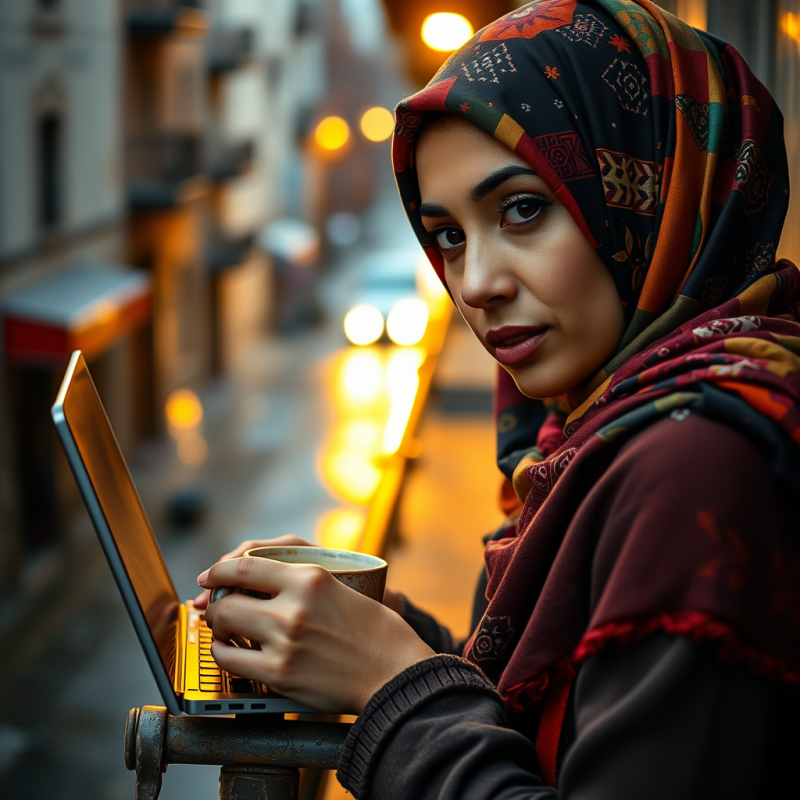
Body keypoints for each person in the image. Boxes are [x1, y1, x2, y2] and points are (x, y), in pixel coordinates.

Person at [196, 1, 800, 796]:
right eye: (449, 235)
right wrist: (377, 633)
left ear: (656, 186)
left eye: (523, 209)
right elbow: (556, 712)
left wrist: (388, 682)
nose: (474, 283)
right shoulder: (605, 427)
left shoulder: (694, 463)